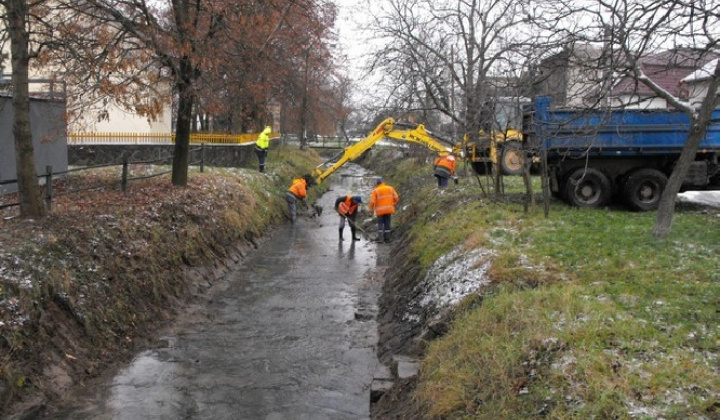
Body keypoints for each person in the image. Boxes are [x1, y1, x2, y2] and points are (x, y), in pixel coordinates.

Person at [369, 177, 399, 243]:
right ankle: (387, 239)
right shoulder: (390, 188)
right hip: (389, 209)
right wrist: (393, 203)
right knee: (387, 223)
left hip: (380, 210)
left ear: (377, 183)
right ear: (383, 182)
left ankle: (381, 239)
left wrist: (371, 209)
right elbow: (396, 197)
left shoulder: (376, 190)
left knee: (380, 224)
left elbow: (372, 202)